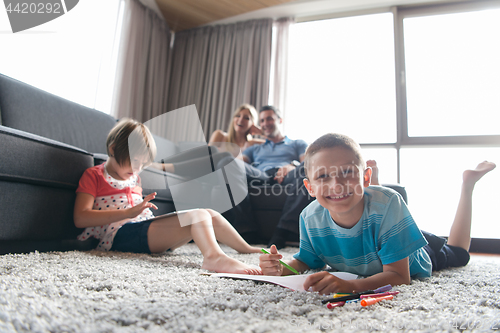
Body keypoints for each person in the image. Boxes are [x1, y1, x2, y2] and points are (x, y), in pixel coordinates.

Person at [259, 133, 496, 294]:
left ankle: (468, 185)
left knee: (459, 254)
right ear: (309, 188)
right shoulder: (309, 217)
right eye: (323, 176)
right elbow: (305, 261)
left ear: (365, 178)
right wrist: (282, 268)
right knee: (382, 213)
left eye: (347, 172)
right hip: (382, 228)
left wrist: (349, 286)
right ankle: (380, 215)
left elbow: (399, 276)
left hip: (415, 252)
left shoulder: (391, 202)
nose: (337, 185)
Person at [73, 118, 262, 274]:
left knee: (208, 213)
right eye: (135, 161)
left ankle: (247, 248)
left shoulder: (133, 177)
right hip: (118, 236)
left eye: (143, 164)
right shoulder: (94, 175)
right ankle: (214, 258)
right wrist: (127, 213)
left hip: (141, 230)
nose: (138, 169)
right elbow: (81, 218)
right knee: (197, 216)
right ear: (113, 150)